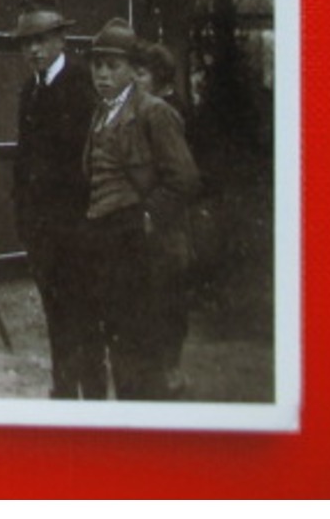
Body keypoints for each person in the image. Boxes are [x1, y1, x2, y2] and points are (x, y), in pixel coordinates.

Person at [83, 18, 201, 400]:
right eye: (97, 65)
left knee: (141, 349)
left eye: (112, 66)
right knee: (119, 343)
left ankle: (148, 431)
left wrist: (146, 218)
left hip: (142, 249)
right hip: (107, 244)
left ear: (133, 70)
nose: (102, 74)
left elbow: (184, 178)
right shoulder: (102, 112)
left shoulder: (153, 112)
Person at [9, 0, 106, 399]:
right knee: (56, 314)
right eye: (27, 43)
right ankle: (64, 392)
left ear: (60, 40)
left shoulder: (83, 85)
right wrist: (25, 221)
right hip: (43, 231)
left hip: (78, 229)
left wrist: (85, 225)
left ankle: (94, 401)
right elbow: (24, 159)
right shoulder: (29, 91)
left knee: (85, 317)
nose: (34, 50)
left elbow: (92, 161)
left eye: (42, 40)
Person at [131, 37, 195, 395]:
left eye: (140, 74)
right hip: (150, 222)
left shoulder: (167, 113)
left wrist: (152, 211)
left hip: (168, 225)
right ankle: (156, 370)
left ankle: (170, 370)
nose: (133, 80)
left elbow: (185, 177)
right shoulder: (144, 109)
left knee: (169, 298)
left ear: (160, 78)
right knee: (152, 298)